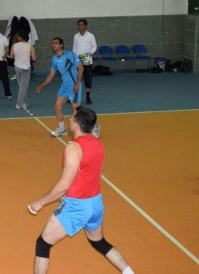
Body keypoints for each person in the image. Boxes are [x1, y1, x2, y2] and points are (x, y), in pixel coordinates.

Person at [28, 107, 134, 274]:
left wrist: (40, 203)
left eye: (72, 117)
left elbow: (64, 184)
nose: (70, 119)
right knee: (99, 242)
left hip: (77, 206)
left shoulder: (74, 148)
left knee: (43, 245)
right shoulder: (98, 144)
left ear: (76, 125)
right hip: (96, 203)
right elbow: (90, 174)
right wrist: (68, 192)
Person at [35, 37, 87, 138]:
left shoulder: (70, 54)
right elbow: (51, 75)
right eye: (52, 43)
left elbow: (81, 68)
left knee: (76, 111)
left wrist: (77, 83)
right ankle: (62, 130)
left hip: (73, 85)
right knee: (57, 106)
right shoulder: (55, 59)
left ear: (61, 45)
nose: (53, 45)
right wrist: (42, 85)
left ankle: (91, 128)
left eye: (56, 43)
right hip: (65, 86)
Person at [9, 29, 36, 112]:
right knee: (23, 86)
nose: (16, 37)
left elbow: (11, 57)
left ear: (20, 37)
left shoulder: (14, 46)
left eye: (17, 35)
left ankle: (25, 101)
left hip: (17, 68)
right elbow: (34, 58)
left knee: (21, 86)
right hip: (26, 68)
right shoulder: (30, 46)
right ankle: (19, 104)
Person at [72, 19, 97, 105]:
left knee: (87, 80)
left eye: (82, 25)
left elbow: (94, 47)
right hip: (78, 61)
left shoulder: (91, 36)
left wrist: (89, 54)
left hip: (87, 61)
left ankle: (88, 97)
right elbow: (74, 48)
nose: (80, 26)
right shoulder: (76, 36)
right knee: (76, 79)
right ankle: (74, 96)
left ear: (86, 26)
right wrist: (74, 58)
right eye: (79, 25)